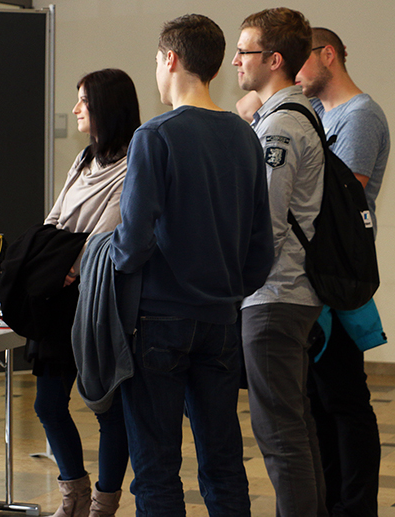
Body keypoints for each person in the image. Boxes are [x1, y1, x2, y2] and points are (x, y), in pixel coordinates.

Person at [109, 14, 274, 515]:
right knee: (223, 462)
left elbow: (133, 241)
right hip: (222, 321)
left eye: (156, 61)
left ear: (171, 59)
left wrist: (106, 259)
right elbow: (261, 249)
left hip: (159, 321)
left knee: (157, 469)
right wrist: (226, 293)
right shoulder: (245, 136)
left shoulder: (155, 136)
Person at [232, 8, 328, 516]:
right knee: (294, 426)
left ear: (273, 59)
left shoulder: (281, 127)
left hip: (273, 296)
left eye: (244, 52)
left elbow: (263, 225)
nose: (235, 62)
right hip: (286, 293)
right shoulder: (287, 115)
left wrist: (230, 286)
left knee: (280, 435)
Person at [34, 68, 139, 517]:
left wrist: (65, 266)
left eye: (83, 101)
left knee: (105, 404)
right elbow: (55, 219)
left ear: (106, 108)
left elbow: (102, 238)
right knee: (48, 403)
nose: (76, 109)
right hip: (57, 299)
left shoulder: (135, 163)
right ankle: (72, 492)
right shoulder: (84, 159)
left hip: (97, 299)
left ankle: (104, 501)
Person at [297, 28, 389, 517]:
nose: (294, 72)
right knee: (317, 404)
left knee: (345, 402)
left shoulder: (360, 116)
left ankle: (355, 508)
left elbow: (336, 198)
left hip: (340, 281)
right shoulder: (316, 115)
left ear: (326, 55)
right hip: (314, 282)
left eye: (300, 60)